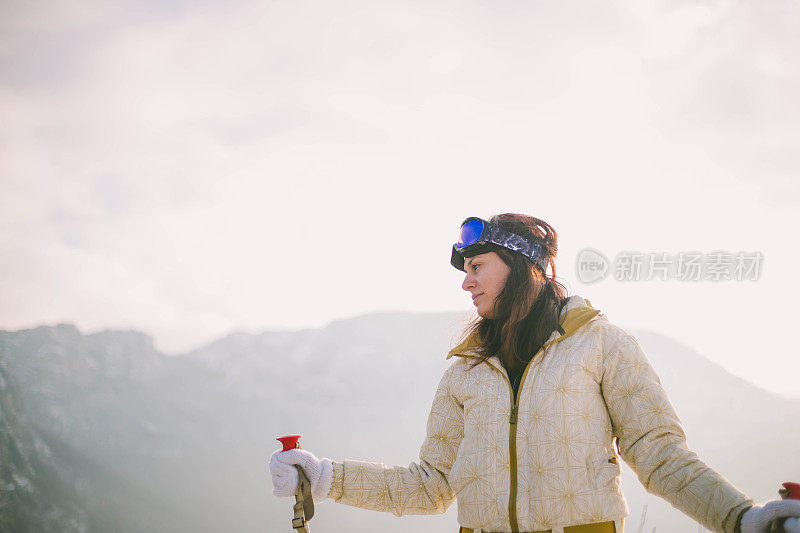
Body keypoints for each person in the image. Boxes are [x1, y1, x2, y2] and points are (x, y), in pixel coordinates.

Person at [270, 213, 800, 533]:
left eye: (477, 267)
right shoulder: (466, 373)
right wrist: (324, 476)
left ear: (522, 267)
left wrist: (740, 519)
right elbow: (429, 486)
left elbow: (661, 457)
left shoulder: (602, 345)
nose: (465, 284)